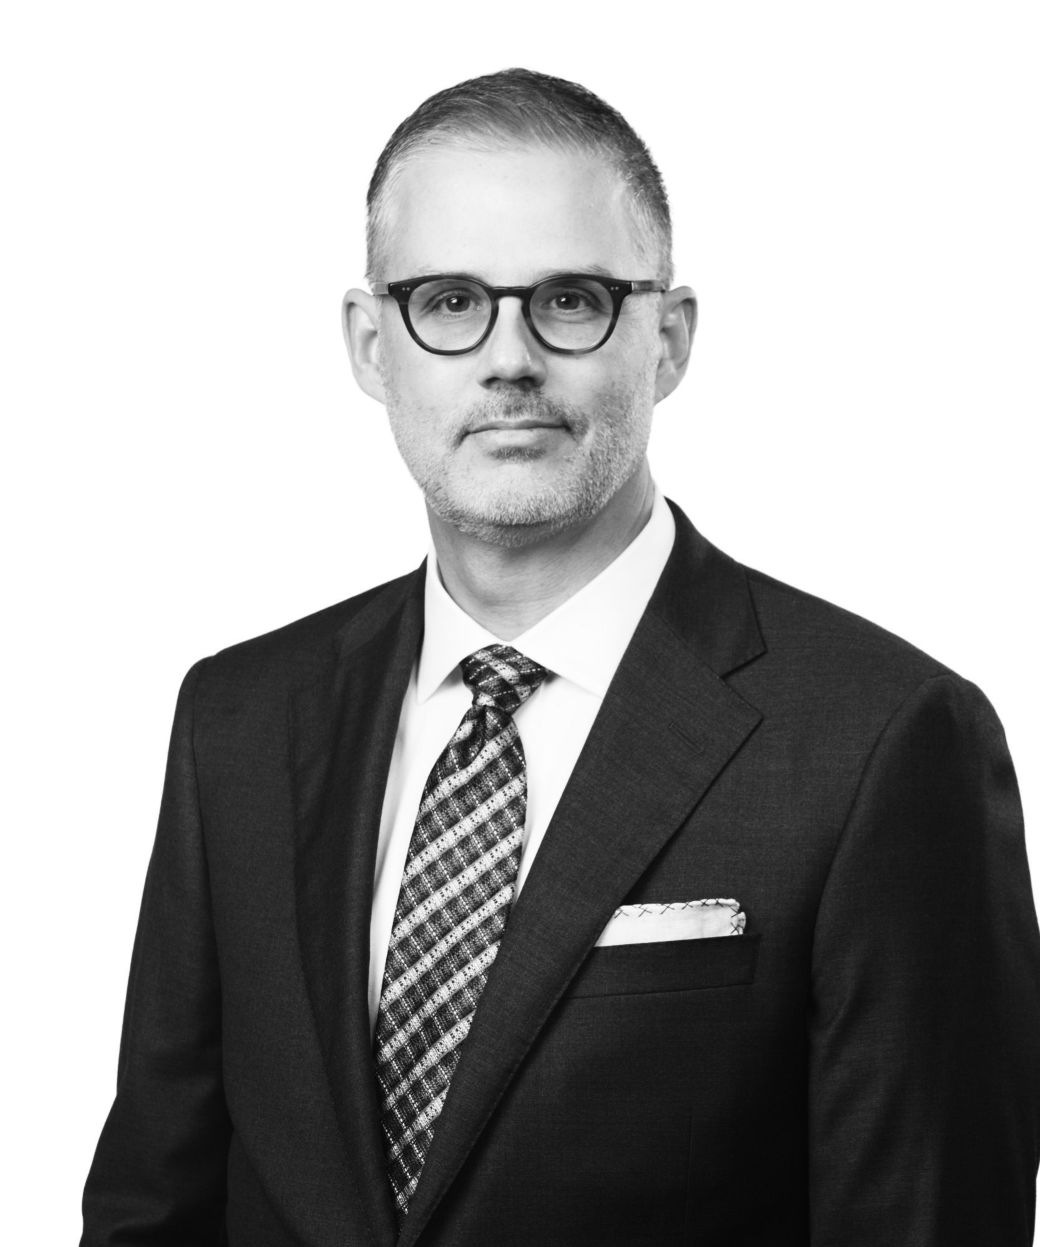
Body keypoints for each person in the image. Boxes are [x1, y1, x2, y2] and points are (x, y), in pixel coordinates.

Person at [80, 67, 1040, 1247]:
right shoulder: (239, 717)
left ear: (668, 339)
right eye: (448, 301)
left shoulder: (882, 739)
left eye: (570, 300)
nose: (508, 359)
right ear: (371, 345)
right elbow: (153, 1201)